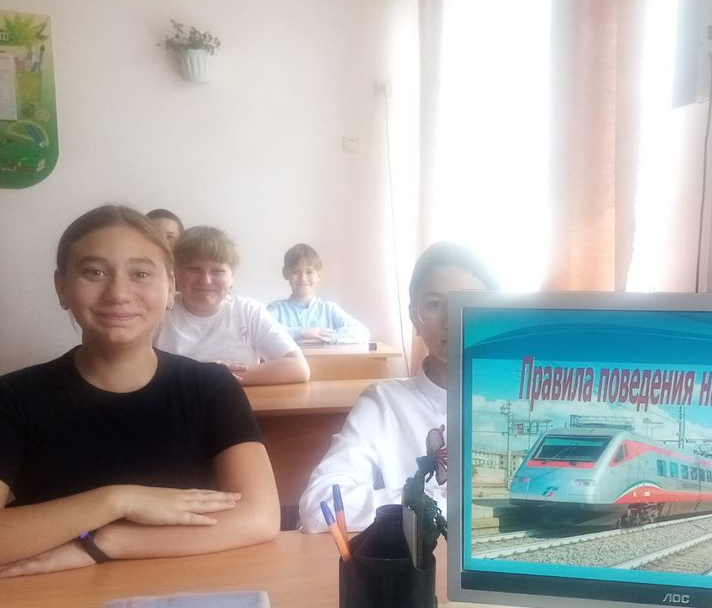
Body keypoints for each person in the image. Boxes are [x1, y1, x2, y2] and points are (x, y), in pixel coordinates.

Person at [0, 205, 280, 578]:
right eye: (94, 272)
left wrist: (105, 542)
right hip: (53, 599)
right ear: (61, 286)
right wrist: (118, 500)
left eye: (140, 273)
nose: (118, 293)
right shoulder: (10, 398)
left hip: (187, 595)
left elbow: (260, 516)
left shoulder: (213, 388)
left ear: (170, 287)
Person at [298, 242, 497, 533]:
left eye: (468, 302)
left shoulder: (528, 401)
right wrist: (443, 502)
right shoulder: (384, 403)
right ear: (414, 316)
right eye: (434, 304)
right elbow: (321, 506)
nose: (451, 319)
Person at [156, 226, 310, 386]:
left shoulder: (248, 311)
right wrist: (207, 375)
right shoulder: (160, 310)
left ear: (232, 277)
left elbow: (298, 368)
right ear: (176, 273)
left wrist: (219, 376)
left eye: (218, 271)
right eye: (194, 269)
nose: (206, 280)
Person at [266, 243, 369, 344]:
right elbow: (263, 331)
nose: (303, 278)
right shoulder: (276, 309)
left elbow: (362, 333)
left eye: (309, 272)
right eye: (295, 272)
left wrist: (327, 338)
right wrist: (302, 333)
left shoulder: (329, 309)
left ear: (319, 275)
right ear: (285, 274)